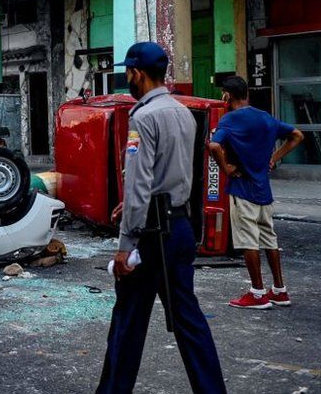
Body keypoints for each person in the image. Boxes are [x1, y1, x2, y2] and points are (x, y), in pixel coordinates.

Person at [97, 42, 226, 394]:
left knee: (128, 321)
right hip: (179, 227)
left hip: (152, 234)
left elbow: (138, 182)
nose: (127, 78)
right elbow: (176, 174)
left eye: (128, 72)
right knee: (189, 321)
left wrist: (126, 245)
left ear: (136, 73)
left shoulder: (143, 116)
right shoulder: (183, 112)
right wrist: (142, 205)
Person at [208, 76, 304, 310]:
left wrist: (227, 168)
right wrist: (274, 157)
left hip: (242, 190)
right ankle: (279, 290)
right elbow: (297, 136)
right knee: (269, 239)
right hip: (264, 190)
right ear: (247, 93)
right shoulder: (265, 118)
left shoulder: (229, 120)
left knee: (248, 241)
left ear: (227, 95)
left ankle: (257, 292)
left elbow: (213, 146)